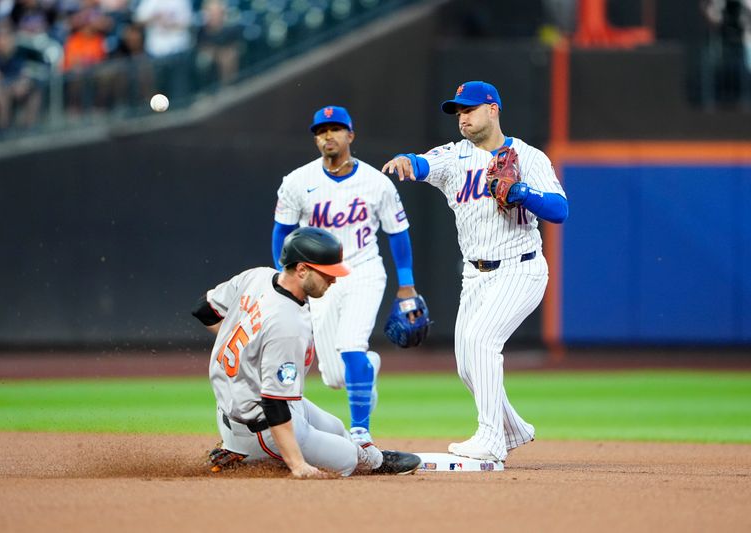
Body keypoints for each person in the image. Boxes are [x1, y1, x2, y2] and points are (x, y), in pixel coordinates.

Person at [381, 81, 568, 465]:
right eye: (457, 111)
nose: (462, 117)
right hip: (475, 275)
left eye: (469, 109)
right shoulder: (454, 157)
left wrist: (522, 193)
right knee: (467, 363)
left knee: (482, 341)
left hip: (522, 267)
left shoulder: (527, 155)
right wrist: (406, 160)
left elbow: (559, 210)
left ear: (493, 109)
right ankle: (513, 429)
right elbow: (422, 164)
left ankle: (491, 439)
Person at [192, 226, 421, 478]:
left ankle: (372, 459)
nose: (334, 280)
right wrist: (297, 465)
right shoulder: (287, 324)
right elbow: (274, 403)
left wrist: (248, 346)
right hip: (258, 426)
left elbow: (204, 309)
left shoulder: (257, 277)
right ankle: (245, 456)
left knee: (335, 426)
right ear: (302, 269)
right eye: (327, 274)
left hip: (239, 408)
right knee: (347, 459)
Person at [271, 105, 422, 447]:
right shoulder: (297, 182)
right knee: (334, 377)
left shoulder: (376, 182)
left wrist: (407, 283)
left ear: (350, 135)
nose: (328, 135)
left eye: (336, 129)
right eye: (322, 131)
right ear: (316, 139)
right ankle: (367, 366)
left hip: (364, 270)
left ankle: (361, 431)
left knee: (351, 345)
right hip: (320, 279)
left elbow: (398, 233)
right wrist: (287, 276)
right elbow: (281, 232)